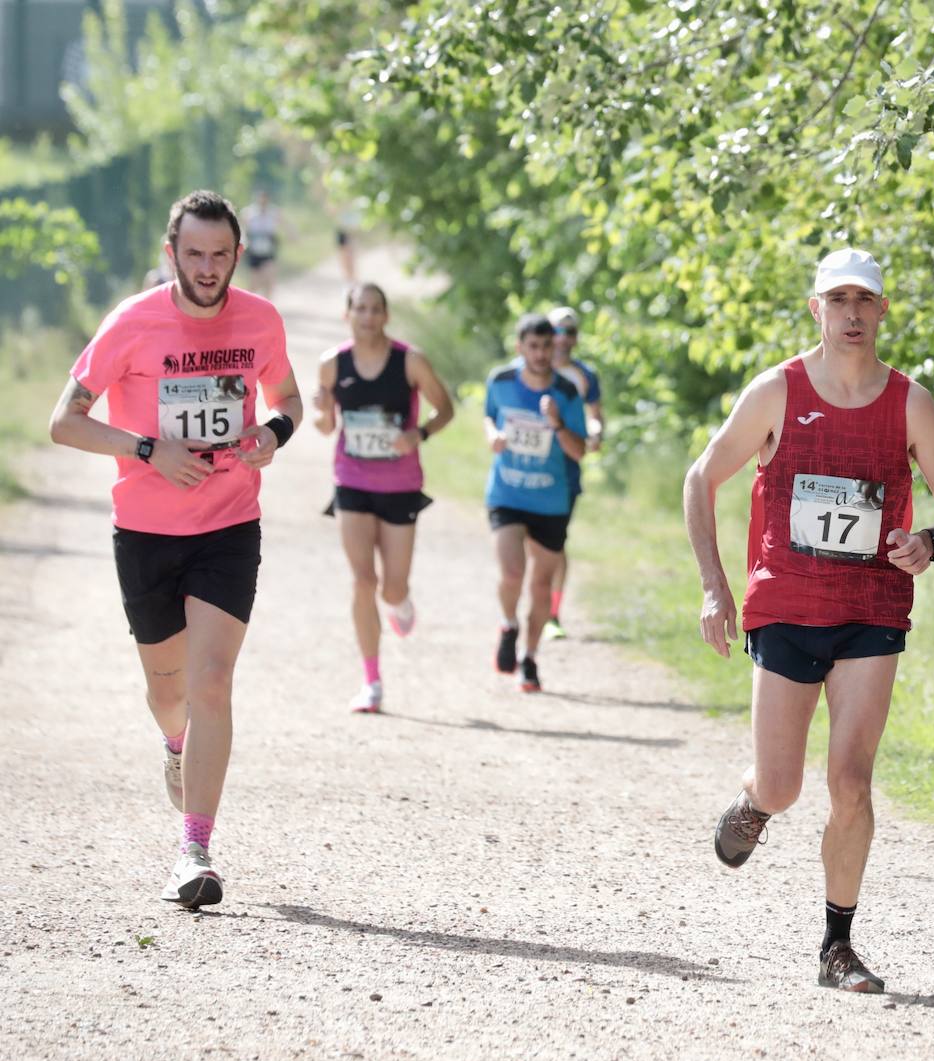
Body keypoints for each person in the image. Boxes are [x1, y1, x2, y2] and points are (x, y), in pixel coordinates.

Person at [683, 248, 934, 992]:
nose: (852, 314)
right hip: (787, 608)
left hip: (871, 612)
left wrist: (930, 541)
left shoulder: (912, 404)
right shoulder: (778, 390)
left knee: (852, 782)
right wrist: (715, 588)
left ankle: (837, 946)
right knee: (782, 785)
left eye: (864, 301)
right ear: (817, 310)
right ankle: (753, 804)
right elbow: (700, 478)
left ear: (883, 311)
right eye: (838, 301)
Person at [48, 189, 302, 910]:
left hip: (227, 524)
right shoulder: (132, 322)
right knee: (170, 694)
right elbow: (63, 422)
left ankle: (195, 849)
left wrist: (271, 436)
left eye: (221, 253)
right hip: (147, 531)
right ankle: (174, 746)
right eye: (194, 252)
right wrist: (146, 449)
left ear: (236, 255)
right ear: (171, 254)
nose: (208, 266)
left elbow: (287, 398)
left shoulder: (260, 320)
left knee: (212, 681)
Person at [313, 282, 454, 713]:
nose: (368, 316)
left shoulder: (410, 360)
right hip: (352, 480)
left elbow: (444, 408)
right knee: (362, 580)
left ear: (386, 315)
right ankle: (371, 681)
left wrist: (419, 434)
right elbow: (325, 427)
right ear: (348, 314)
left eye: (376, 309)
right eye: (360, 309)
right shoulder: (332, 364)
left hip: (400, 485)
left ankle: (401, 600)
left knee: (392, 588)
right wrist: (320, 410)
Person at [483, 314, 587, 692]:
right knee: (512, 573)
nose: (541, 353)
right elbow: (489, 417)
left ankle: (529, 657)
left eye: (547, 346)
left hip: (550, 500)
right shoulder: (501, 381)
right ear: (520, 347)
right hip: (506, 494)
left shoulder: (567, 392)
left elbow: (578, 453)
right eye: (533, 346)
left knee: (541, 585)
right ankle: (509, 624)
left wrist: (557, 424)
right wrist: (493, 434)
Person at [545, 304, 605, 640]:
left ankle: (553, 613)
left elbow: (595, 413)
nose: (563, 338)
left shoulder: (584, 375)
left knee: (556, 541)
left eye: (570, 332)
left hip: (567, 465)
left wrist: (596, 432)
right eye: (557, 331)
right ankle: (535, 601)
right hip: (532, 465)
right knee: (530, 540)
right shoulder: (534, 369)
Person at [243, 189, 283, 299]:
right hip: (254, 250)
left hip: (269, 249)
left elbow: (283, 223)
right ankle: (250, 303)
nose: (262, 201)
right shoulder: (249, 212)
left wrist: (293, 235)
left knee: (270, 277)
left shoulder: (274, 212)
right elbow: (241, 228)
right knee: (254, 282)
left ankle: (268, 303)